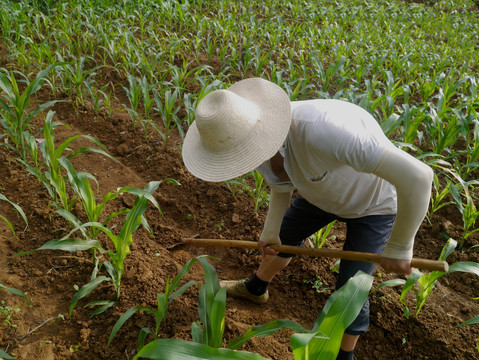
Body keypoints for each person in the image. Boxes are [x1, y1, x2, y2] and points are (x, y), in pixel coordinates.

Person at [181, 77, 433, 360]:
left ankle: (344, 356)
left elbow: (419, 176)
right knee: (284, 239)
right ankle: (255, 288)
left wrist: (400, 246)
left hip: (374, 205)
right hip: (321, 192)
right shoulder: (255, 142)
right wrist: (271, 230)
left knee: (351, 288)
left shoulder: (326, 131)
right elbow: (280, 182)